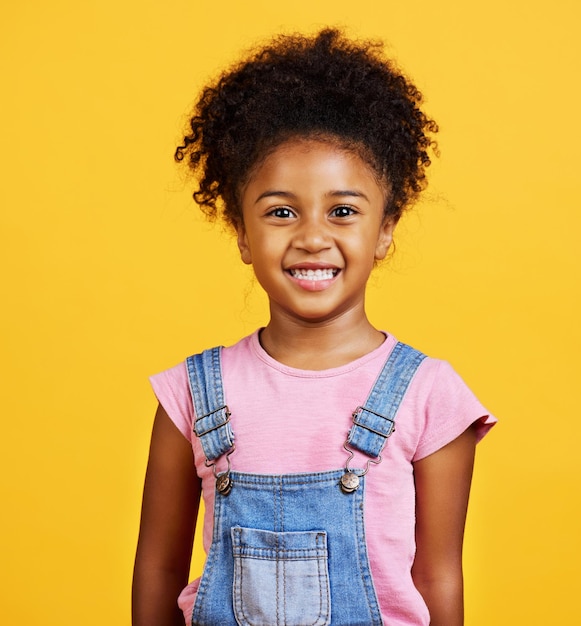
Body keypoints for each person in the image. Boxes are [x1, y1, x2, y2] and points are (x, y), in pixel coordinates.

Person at [132, 28, 496, 626]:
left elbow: (438, 575)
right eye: (280, 211)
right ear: (242, 233)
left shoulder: (430, 395)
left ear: (385, 229)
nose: (311, 236)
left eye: (343, 211)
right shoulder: (189, 397)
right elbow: (158, 569)